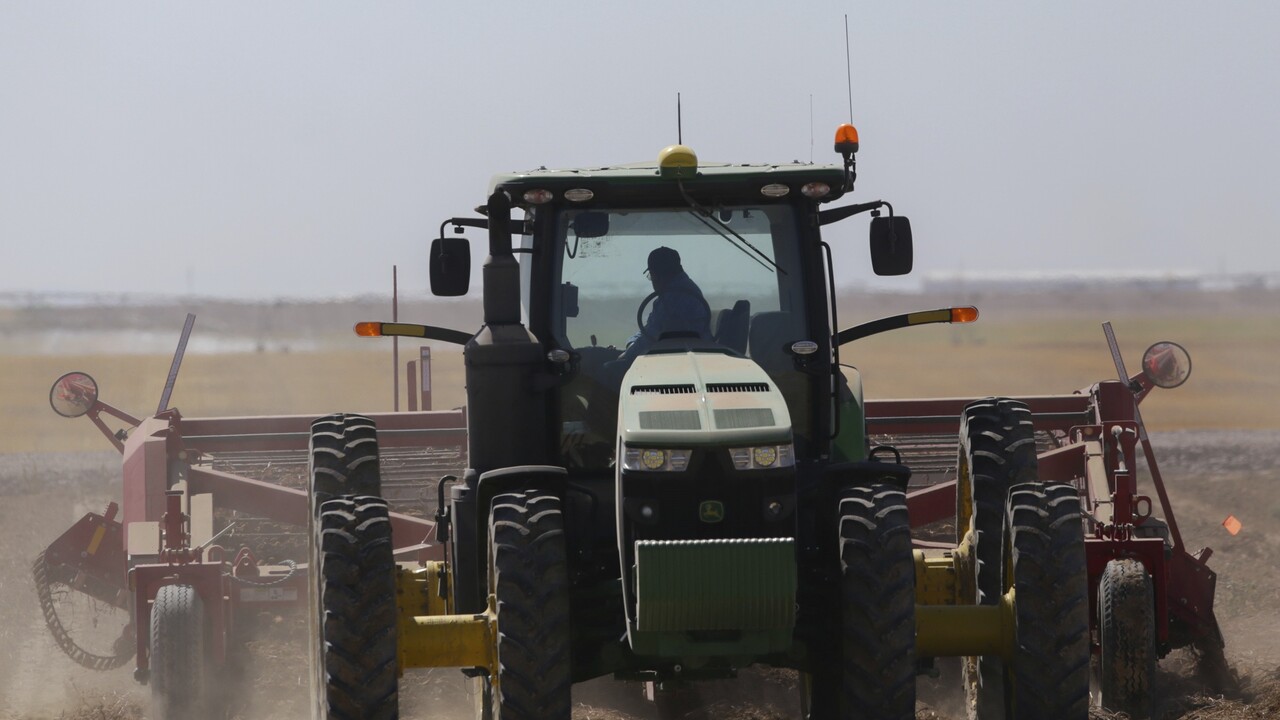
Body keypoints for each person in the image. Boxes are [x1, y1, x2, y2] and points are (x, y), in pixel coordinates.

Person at [619, 246, 711, 361]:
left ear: (658, 276)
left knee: (607, 367)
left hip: (672, 359)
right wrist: (631, 343)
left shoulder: (672, 299)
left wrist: (627, 354)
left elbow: (649, 338)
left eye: (651, 276)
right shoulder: (685, 290)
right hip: (678, 356)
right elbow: (649, 331)